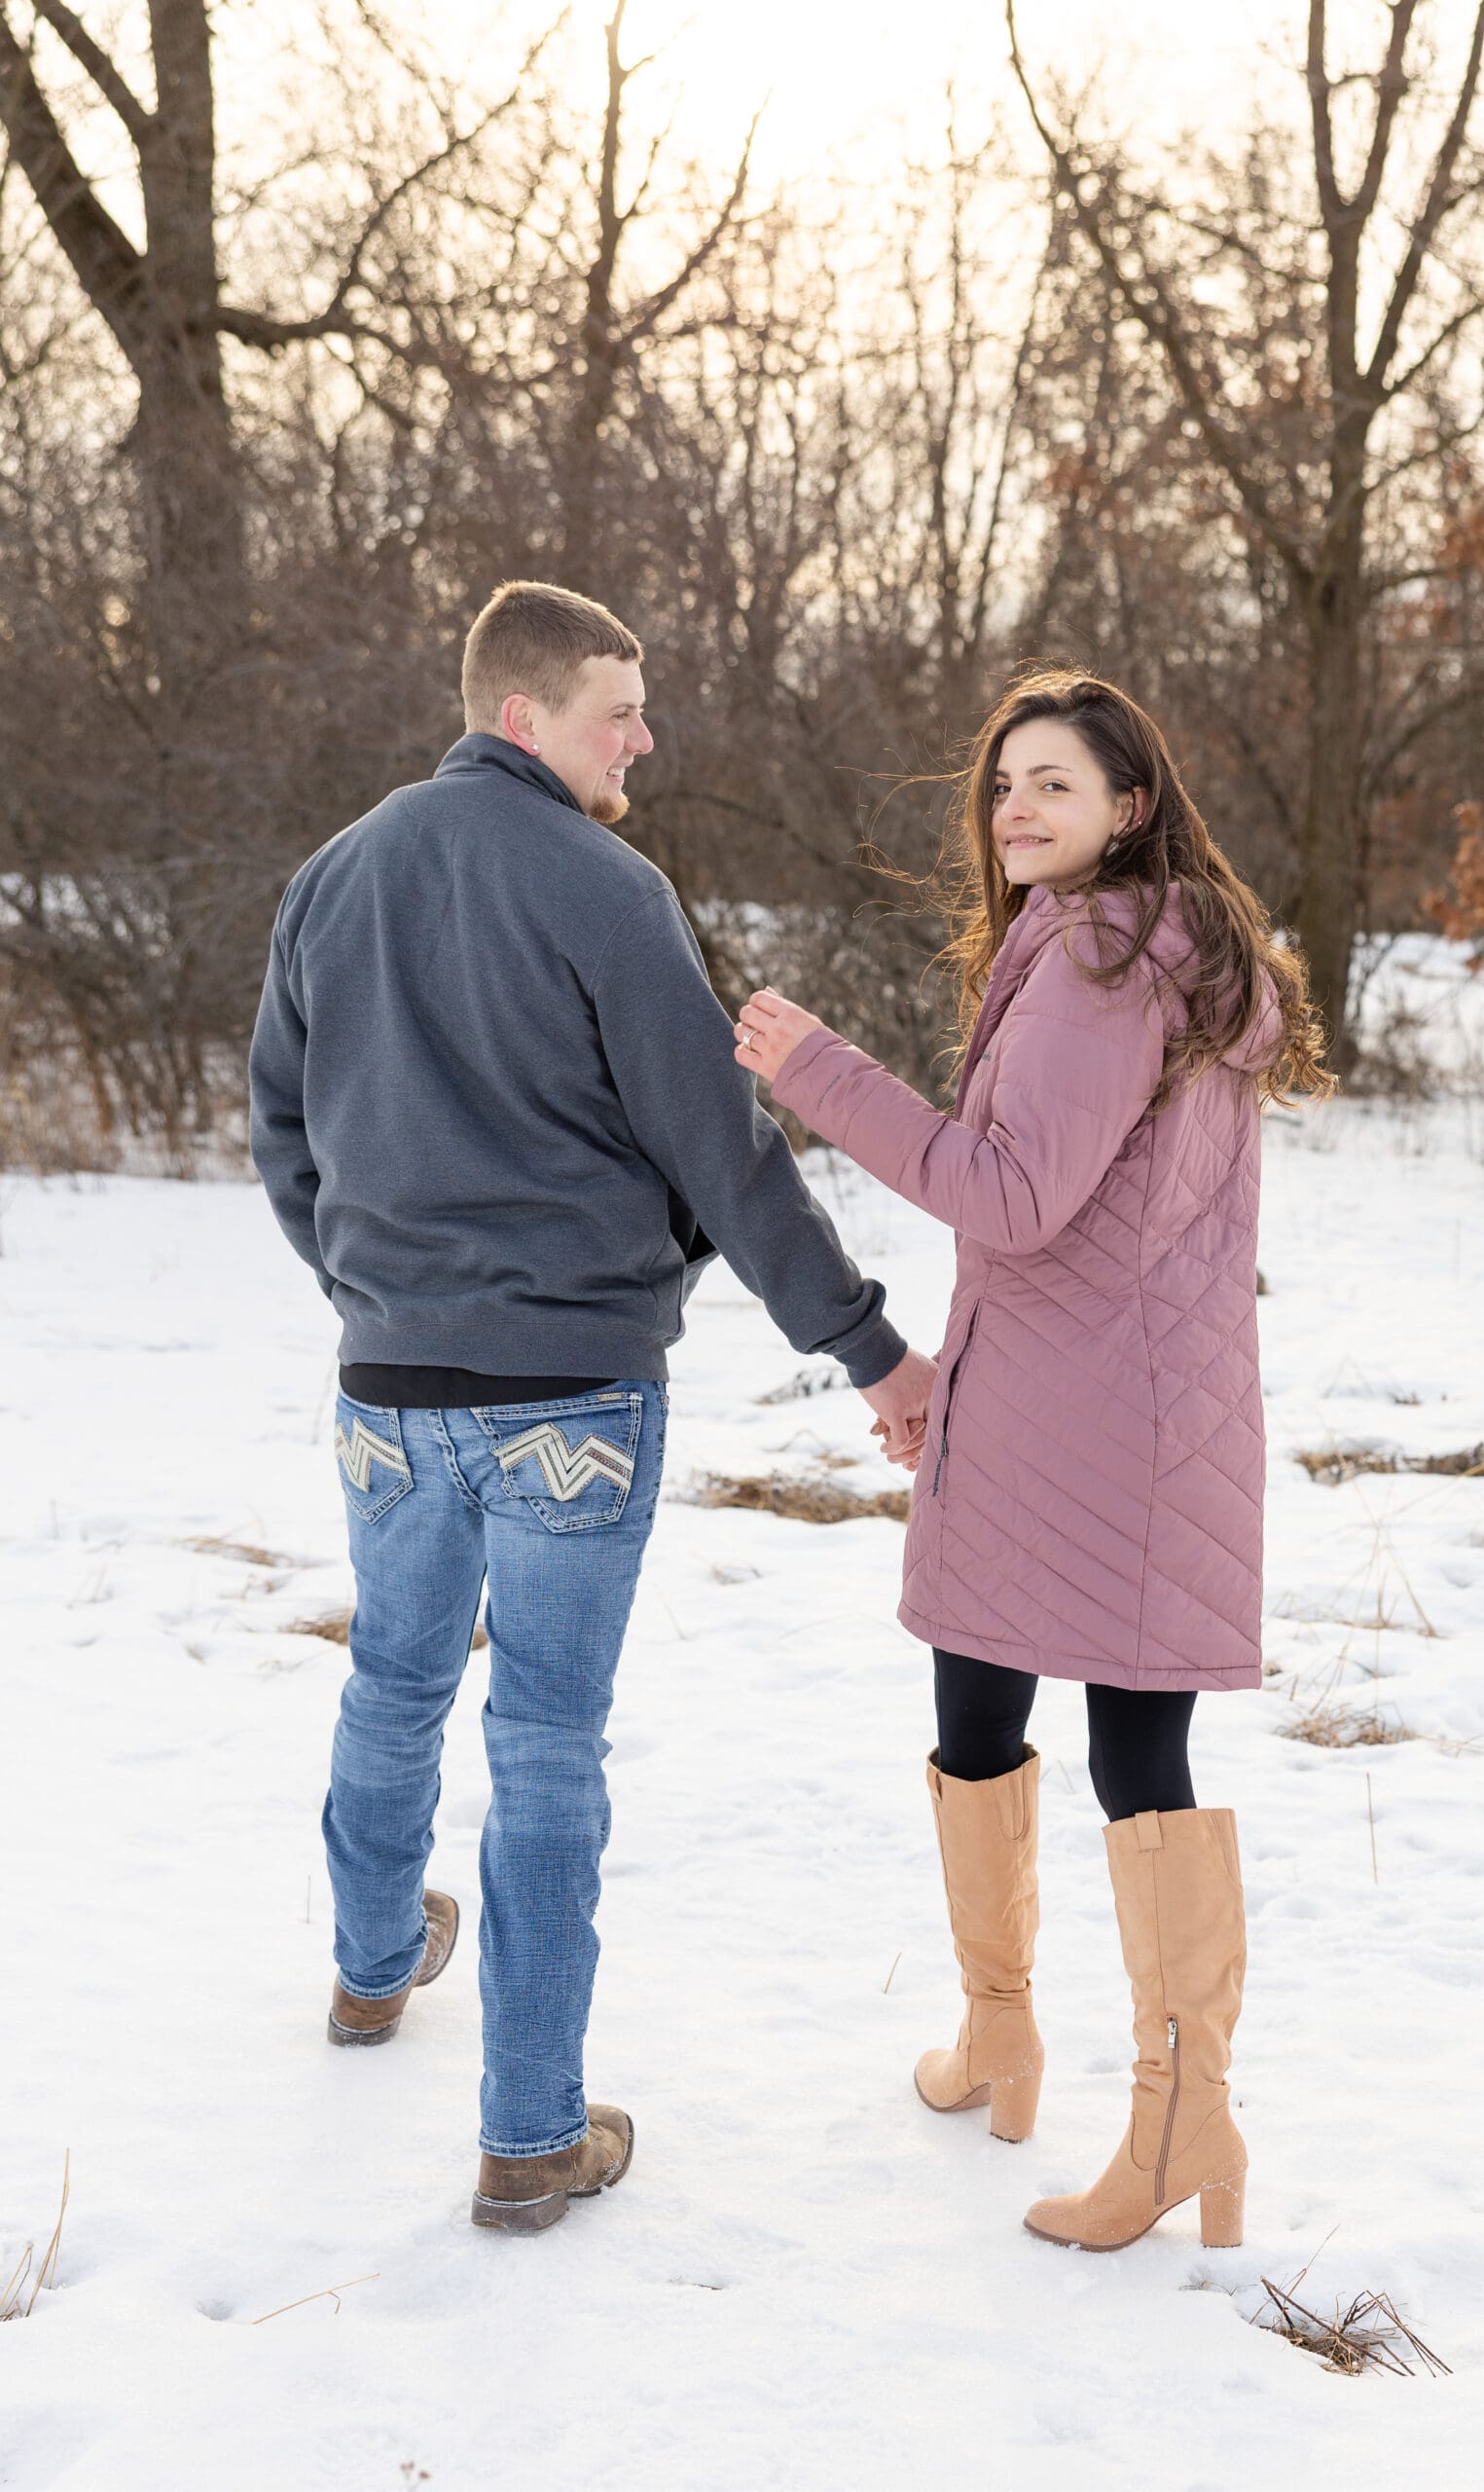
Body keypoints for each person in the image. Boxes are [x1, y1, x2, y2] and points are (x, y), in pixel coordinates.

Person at [249, 579, 936, 2236]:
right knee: (544, 1741)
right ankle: (531, 2138)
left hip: (390, 1385)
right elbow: (726, 1149)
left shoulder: (331, 877)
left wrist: (374, 1295)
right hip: (568, 1388)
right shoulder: (608, 886)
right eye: (616, 709)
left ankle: (364, 1971)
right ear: (521, 717)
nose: (644, 736)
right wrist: (872, 1349)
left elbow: (284, 1140)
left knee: (395, 1677)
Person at [734, 669, 1330, 2252]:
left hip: (1107, 1430)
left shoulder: (1105, 955)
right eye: (1005, 785)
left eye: (1055, 785)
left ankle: (1185, 2122)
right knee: (978, 1703)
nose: (1018, 811)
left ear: (1128, 807)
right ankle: (1001, 2033)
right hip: (1067, 1408)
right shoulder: (1125, 943)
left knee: (1139, 1764)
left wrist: (818, 1071)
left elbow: (1010, 1197)